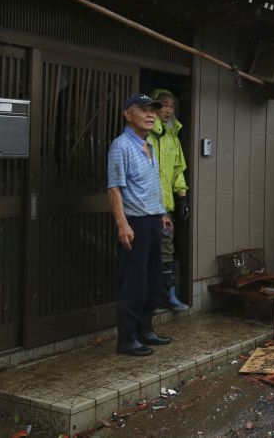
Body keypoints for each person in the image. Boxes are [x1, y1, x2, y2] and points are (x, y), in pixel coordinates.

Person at [107, 93, 174, 356]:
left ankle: (146, 331)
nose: (150, 114)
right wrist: (122, 224)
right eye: (143, 109)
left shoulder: (150, 145)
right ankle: (127, 339)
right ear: (127, 113)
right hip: (133, 222)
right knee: (134, 283)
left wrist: (162, 213)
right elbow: (114, 188)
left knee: (153, 280)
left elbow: (150, 185)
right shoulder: (121, 146)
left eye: (153, 110)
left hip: (153, 220)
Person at [149, 88, 190, 313]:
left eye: (172, 106)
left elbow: (177, 171)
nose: (168, 110)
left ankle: (168, 295)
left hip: (166, 207)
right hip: (145, 207)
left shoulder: (173, 137)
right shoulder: (146, 134)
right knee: (147, 252)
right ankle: (151, 298)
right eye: (164, 105)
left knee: (166, 250)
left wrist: (182, 198)